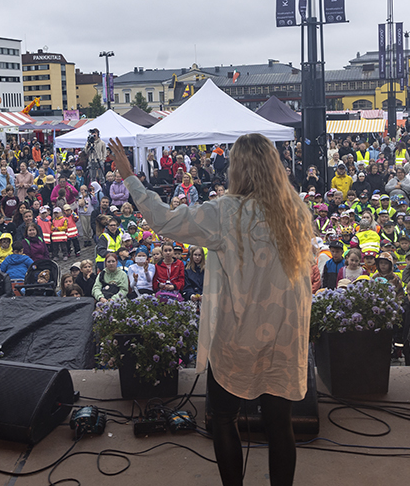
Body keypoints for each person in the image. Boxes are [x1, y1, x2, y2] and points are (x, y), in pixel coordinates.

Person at [111, 134, 310, 486]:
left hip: (238, 336)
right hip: (284, 334)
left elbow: (164, 219)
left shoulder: (225, 212)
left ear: (238, 168)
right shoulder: (295, 209)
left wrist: (130, 175)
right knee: (280, 424)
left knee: (222, 417)